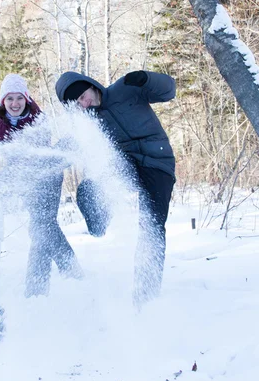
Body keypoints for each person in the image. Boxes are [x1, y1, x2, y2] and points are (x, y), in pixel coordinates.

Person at [55, 69, 176, 306]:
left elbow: (169, 91)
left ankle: (146, 294)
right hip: (127, 165)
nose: (84, 102)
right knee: (92, 184)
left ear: (90, 84)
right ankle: (98, 219)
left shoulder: (126, 89)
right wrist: (46, 156)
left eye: (83, 94)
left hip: (158, 163)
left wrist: (147, 79)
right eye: (77, 102)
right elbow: (69, 146)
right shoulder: (89, 123)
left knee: (151, 225)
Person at [0, 73, 81, 297]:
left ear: (26, 98)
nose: (15, 104)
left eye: (19, 98)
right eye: (9, 99)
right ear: (3, 101)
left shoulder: (37, 118)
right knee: (42, 227)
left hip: (47, 177)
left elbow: (36, 157)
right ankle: (64, 274)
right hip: (24, 179)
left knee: (40, 226)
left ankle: (39, 287)